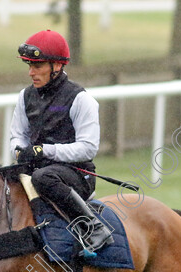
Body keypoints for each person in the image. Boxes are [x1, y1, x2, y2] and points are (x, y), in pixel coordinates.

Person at [10, 29, 113, 254]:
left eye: (37, 66)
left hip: (76, 174)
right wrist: (19, 151)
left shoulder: (81, 99)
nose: (31, 73)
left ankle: (93, 228)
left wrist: (44, 150)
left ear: (56, 66)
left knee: (43, 177)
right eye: (29, 65)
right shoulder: (25, 96)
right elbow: (18, 135)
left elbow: (88, 148)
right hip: (38, 170)